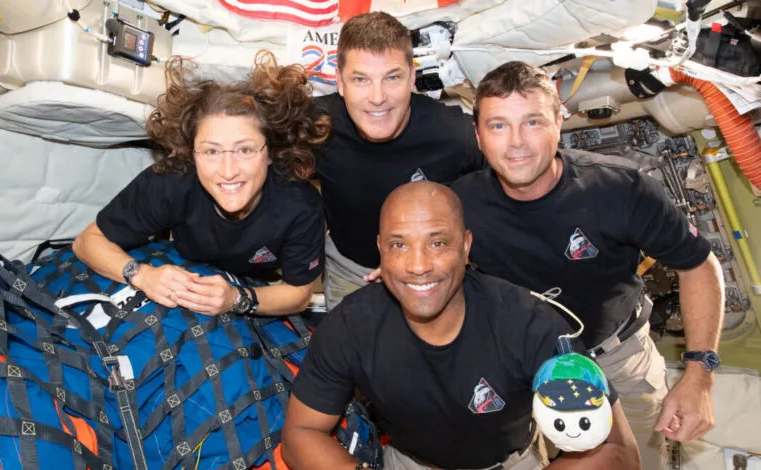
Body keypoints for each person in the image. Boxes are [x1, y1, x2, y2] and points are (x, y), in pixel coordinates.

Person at [451, 61, 725, 470]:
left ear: (559, 122)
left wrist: (700, 376)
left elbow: (699, 265)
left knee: (642, 460)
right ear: (478, 136)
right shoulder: (457, 206)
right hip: (520, 363)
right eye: (498, 126)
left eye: (532, 122)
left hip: (619, 355)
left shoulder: (620, 189)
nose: (516, 143)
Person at [281, 182, 641, 470]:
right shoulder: (350, 326)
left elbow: (619, 450)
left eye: (437, 243)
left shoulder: (529, 324)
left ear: (466, 247)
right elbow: (301, 433)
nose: (418, 265)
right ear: (381, 250)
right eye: (399, 245)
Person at [73, 52, 331, 316]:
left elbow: (299, 293)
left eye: (245, 150)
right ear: (191, 154)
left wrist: (236, 299)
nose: (228, 171)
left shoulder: (300, 204)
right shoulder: (173, 180)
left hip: (254, 286)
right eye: (211, 151)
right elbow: (87, 241)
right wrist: (142, 275)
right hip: (181, 269)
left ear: (271, 153)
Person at [314, 12, 485, 311]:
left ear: (412, 78)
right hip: (351, 270)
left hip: (430, 271)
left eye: (392, 77)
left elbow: (500, 196)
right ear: (340, 82)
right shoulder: (314, 126)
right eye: (360, 80)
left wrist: (454, 255)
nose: (377, 97)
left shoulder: (455, 135)